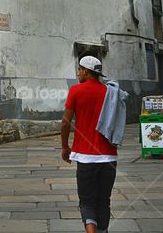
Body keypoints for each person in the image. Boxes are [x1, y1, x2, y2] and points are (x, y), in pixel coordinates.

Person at [61, 56, 119, 233]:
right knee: (104, 201)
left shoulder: (76, 91)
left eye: (79, 69)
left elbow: (65, 123)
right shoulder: (110, 92)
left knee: (87, 202)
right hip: (109, 155)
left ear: (86, 71)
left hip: (86, 157)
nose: (78, 73)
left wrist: (65, 146)